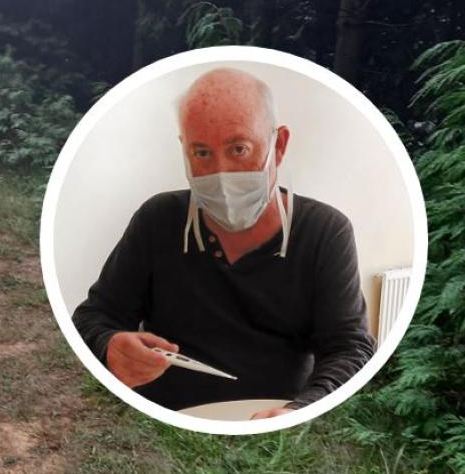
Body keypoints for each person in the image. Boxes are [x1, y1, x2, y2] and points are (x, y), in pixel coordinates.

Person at [71, 68, 375, 418]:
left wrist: (302, 409)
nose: (222, 173)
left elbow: (350, 347)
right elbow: (94, 316)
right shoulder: (158, 219)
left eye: (239, 148)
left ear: (278, 145)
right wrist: (109, 345)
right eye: (201, 153)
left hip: (274, 418)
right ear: (184, 150)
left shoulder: (325, 231)